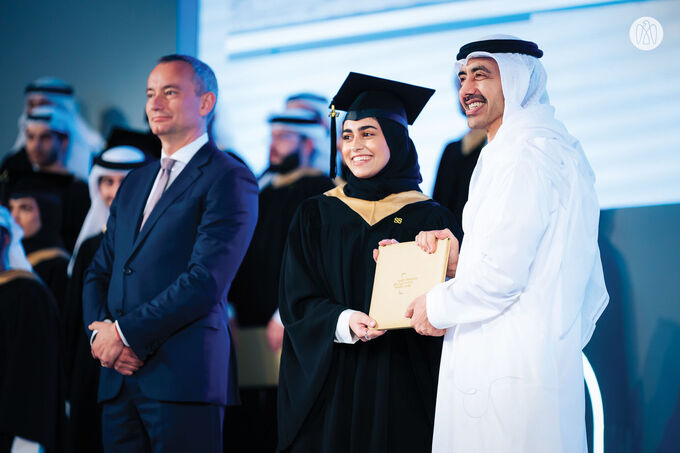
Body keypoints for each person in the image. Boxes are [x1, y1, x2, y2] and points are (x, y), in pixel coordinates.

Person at [405, 35, 609, 452]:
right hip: (529, 358)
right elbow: (524, 262)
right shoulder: (545, 146)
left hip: (505, 368)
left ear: (518, 82)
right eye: (462, 77)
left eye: (482, 75)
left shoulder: (523, 156)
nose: (467, 88)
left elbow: (500, 278)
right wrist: (462, 261)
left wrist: (434, 307)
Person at [277, 72, 462, 452]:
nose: (355, 145)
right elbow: (296, 300)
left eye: (368, 133)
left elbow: (453, 302)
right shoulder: (316, 213)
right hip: (332, 383)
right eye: (347, 135)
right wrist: (343, 321)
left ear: (395, 139)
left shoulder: (432, 219)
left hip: (405, 379)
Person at [83, 54, 258, 453]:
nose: (155, 103)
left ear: (206, 103)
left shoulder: (228, 177)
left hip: (182, 376)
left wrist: (125, 335)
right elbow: (100, 270)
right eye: (150, 93)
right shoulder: (135, 181)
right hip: (118, 379)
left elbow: (205, 280)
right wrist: (102, 337)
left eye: (170, 92)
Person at [225, 107, 335, 451]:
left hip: (288, 324)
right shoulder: (259, 188)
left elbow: (315, 260)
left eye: (284, 137)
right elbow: (234, 254)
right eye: (272, 137)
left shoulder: (321, 190)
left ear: (307, 143)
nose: (274, 146)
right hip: (244, 324)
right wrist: (228, 311)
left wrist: (285, 312)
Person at [63, 146, 147, 453]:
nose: (113, 192)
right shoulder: (89, 247)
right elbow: (75, 319)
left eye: (122, 181)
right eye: (106, 182)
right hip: (92, 369)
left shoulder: (154, 239)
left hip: (139, 364)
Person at [0, 206, 62, 453]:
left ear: (5, 238)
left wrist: (24, 439)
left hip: (12, 430)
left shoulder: (28, 295)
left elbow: (33, 376)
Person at [0, 105, 91, 253]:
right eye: (30, 137)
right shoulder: (16, 182)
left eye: (45, 137)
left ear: (64, 141)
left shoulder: (78, 190)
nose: (36, 145)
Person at [3, 76, 104, 179]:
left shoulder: (95, 157)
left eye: (44, 105)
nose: (37, 112)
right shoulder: (14, 164)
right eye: (31, 105)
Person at [7, 176, 70, 311]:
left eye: (25, 208)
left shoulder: (58, 267)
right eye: (11, 208)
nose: (14, 217)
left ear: (47, 213)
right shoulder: (7, 259)